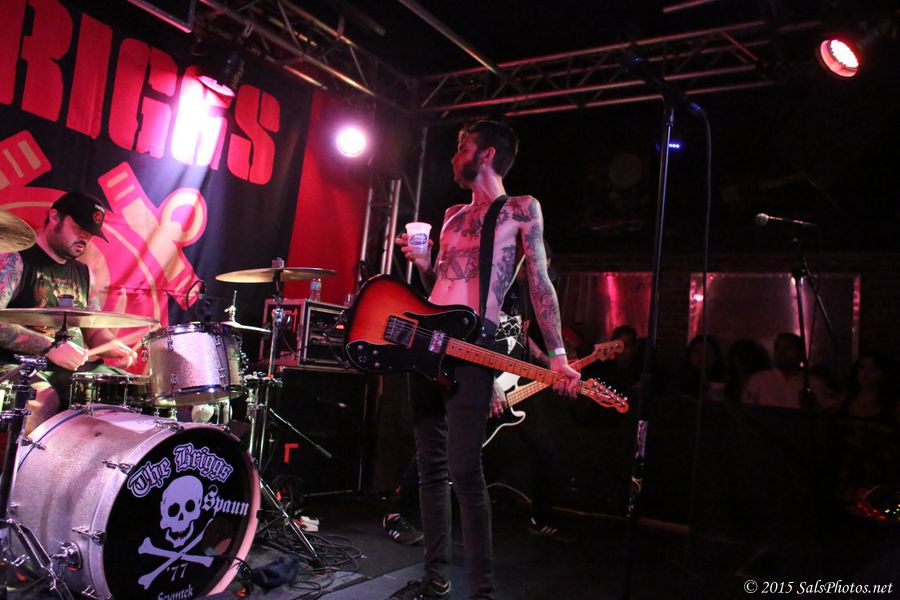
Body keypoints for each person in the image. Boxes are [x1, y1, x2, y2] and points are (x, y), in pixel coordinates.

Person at [390, 120, 580, 600]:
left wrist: (557, 355)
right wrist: (424, 264)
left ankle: (482, 591)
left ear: (487, 154)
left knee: (465, 472)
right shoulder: (452, 215)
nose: (454, 155)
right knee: (431, 470)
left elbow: (540, 282)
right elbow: (442, 283)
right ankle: (435, 578)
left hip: (474, 348)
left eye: (462, 147)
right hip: (430, 342)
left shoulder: (521, 208)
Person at [0, 191, 137, 435]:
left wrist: (113, 347)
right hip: (20, 365)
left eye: (90, 233)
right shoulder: (16, 261)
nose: (85, 237)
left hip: (72, 369)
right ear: (55, 217)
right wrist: (50, 347)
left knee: (129, 390)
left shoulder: (85, 274)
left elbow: (93, 331)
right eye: (79, 228)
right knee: (43, 400)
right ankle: (22, 461)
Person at [741, 332, 835, 410]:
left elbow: (828, 412)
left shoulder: (814, 383)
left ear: (801, 353)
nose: (781, 353)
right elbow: (746, 411)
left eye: (788, 348)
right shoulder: (758, 380)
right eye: (778, 348)